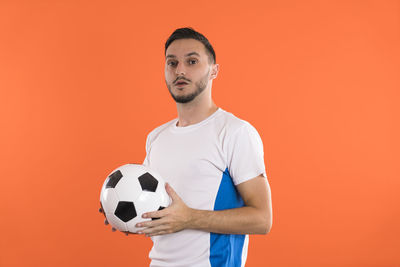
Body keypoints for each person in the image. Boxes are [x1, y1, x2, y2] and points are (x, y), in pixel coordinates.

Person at [102, 27, 273, 267]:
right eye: (172, 63)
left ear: (214, 70)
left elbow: (262, 219)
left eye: (192, 61)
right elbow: (160, 210)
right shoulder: (156, 137)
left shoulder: (235, 132)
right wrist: (124, 210)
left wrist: (189, 218)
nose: (180, 70)